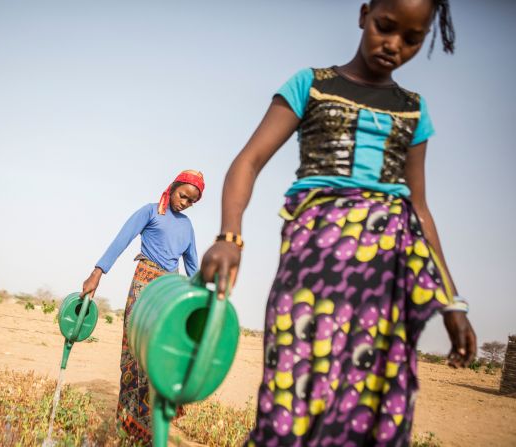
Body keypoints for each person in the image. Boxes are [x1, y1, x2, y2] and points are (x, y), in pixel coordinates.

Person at [200, 1, 476, 445]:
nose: (394, 46)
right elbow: (248, 162)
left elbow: (420, 210)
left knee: (373, 398)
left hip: (386, 277)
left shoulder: (413, 110)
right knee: (292, 385)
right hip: (314, 265)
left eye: (412, 39)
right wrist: (230, 236)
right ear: (364, 14)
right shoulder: (311, 85)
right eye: (385, 28)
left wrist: (452, 302)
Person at [81, 169, 205, 445]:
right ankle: (129, 423)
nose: (184, 202)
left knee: (162, 355)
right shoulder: (150, 212)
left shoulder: (187, 227)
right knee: (134, 353)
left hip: (169, 292)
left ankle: (153, 423)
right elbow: (121, 240)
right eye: (182, 195)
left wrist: (201, 301)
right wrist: (97, 272)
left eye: (190, 201)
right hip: (143, 285)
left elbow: (193, 266)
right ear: (172, 187)